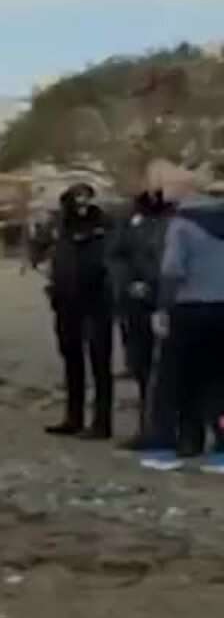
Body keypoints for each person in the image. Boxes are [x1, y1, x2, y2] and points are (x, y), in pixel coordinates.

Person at [140, 162, 224, 473]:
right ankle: (221, 452)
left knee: (170, 381)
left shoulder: (183, 222)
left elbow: (173, 269)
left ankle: (161, 447)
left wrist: (162, 307)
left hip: (187, 308)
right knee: (219, 384)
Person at [44, 184, 115, 440]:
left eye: (85, 197)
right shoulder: (61, 228)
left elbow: (110, 262)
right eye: (76, 198)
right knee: (72, 362)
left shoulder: (104, 226)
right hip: (66, 303)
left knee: (100, 364)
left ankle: (101, 421)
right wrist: (54, 288)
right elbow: (57, 261)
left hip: (97, 303)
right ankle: (73, 417)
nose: (81, 204)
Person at [108, 190, 173, 448]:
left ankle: (187, 433)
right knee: (143, 369)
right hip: (139, 305)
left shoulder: (181, 219)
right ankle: (151, 429)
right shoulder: (130, 220)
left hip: (176, 302)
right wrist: (128, 284)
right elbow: (116, 256)